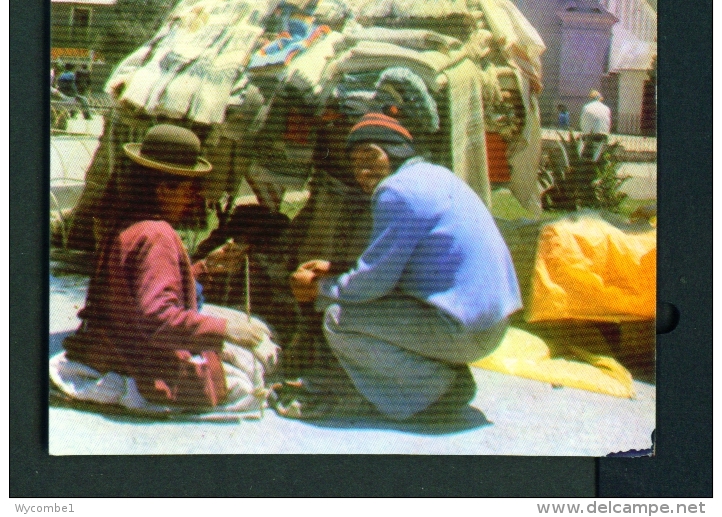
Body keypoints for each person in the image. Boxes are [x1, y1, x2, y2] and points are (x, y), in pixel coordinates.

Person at [285, 113, 522, 422]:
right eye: (355, 163)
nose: (363, 170)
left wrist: (317, 289)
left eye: (371, 156)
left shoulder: (395, 191)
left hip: (464, 331)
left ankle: (435, 391)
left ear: (395, 151)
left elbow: (375, 283)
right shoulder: (435, 175)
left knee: (338, 318)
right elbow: (405, 259)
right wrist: (337, 267)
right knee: (356, 304)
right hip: (490, 323)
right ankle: (439, 373)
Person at [52, 124, 279, 414]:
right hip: (137, 361)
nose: (196, 197)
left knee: (248, 339)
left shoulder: (125, 223)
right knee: (256, 360)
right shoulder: (156, 234)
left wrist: (205, 268)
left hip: (107, 346)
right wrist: (227, 330)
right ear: (163, 188)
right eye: (191, 188)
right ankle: (127, 390)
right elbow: (157, 318)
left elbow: (134, 291)